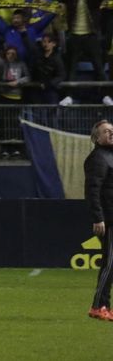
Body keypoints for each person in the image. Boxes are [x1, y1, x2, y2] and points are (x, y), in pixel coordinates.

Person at [86, 119, 113, 320]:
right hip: (109, 218)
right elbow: (92, 190)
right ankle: (99, 305)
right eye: (106, 131)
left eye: (112, 130)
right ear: (97, 137)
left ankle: (104, 305)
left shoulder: (109, 156)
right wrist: (98, 217)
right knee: (110, 262)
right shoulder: (98, 158)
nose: (111, 133)